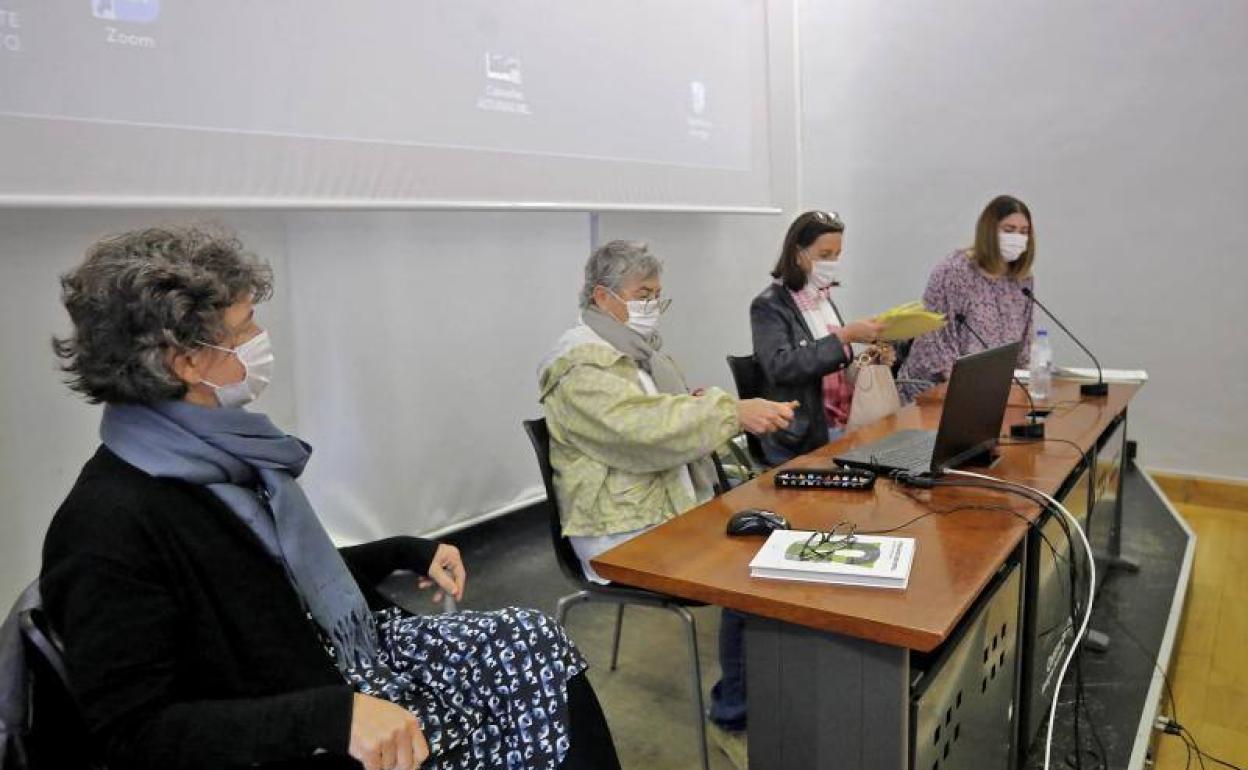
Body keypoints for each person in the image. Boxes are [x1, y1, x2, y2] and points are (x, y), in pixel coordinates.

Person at [41, 226, 619, 770]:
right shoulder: (107, 525)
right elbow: (134, 733)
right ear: (186, 360)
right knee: (525, 689)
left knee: (531, 640)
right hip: (302, 716)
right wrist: (329, 717)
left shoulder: (220, 460)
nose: (260, 341)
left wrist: (403, 550)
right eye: (244, 328)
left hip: (331, 667)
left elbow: (274, 587)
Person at [537, 240, 795, 768]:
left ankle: (766, 693)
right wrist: (728, 412)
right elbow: (643, 431)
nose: (653, 305)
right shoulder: (580, 365)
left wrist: (699, 407)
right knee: (754, 570)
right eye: (643, 294)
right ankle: (734, 719)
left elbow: (658, 415)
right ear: (603, 297)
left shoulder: (633, 350)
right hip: (619, 531)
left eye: (658, 294)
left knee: (770, 537)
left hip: (660, 507)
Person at [750, 210, 889, 465]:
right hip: (802, 434)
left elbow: (834, 365)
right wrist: (844, 336)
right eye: (825, 255)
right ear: (797, 254)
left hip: (841, 419)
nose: (832, 263)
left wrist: (868, 358)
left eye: (837, 254)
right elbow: (780, 367)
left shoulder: (822, 298)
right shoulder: (769, 305)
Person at [896, 195, 1036, 401]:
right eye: (1009, 230)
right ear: (989, 231)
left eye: (1024, 232)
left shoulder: (1021, 279)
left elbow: (1023, 345)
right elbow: (935, 342)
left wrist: (1023, 384)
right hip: (936, 393)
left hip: (994, 392)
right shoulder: (955, 271)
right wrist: (969, 390)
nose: (1017, 238)